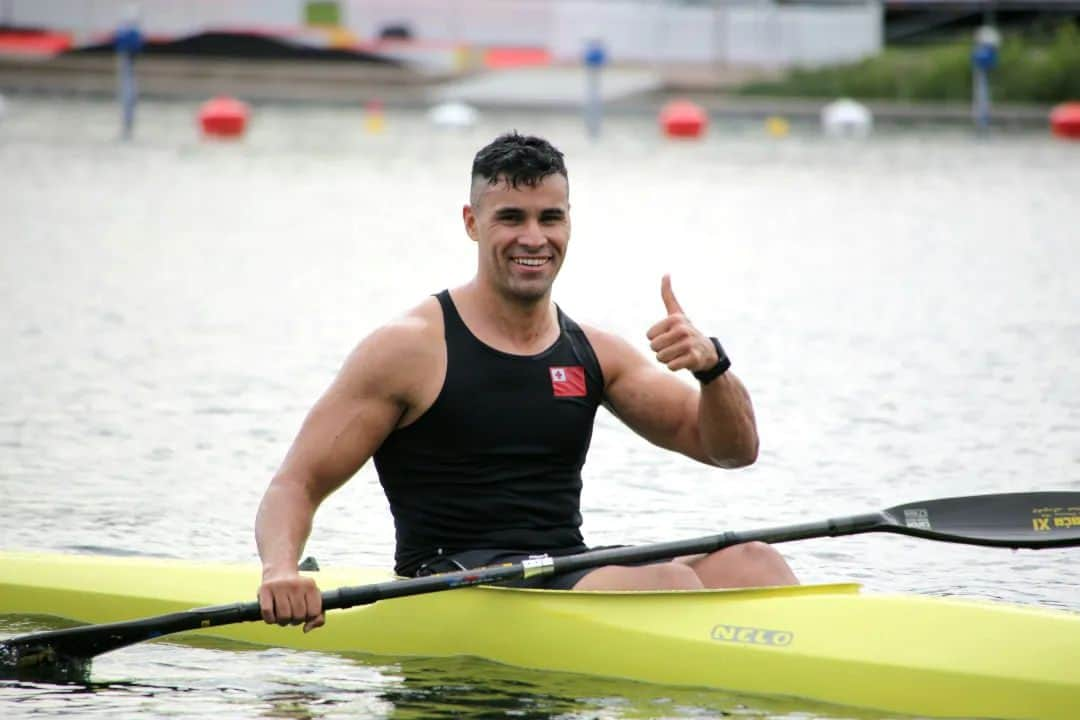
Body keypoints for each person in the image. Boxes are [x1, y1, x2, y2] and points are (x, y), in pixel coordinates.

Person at [255, 132, 797, 632]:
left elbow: (732, 451)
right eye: (511, 218)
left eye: (550, 218)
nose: (533, 238)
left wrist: (712, 368)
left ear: (569, 223)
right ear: (472, 222)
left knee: (754, 561)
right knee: (669, 582)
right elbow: (296, 484)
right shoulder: (409, 349)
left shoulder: (593, 352)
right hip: (451, 577)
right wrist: (279, 572)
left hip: (563, 565)